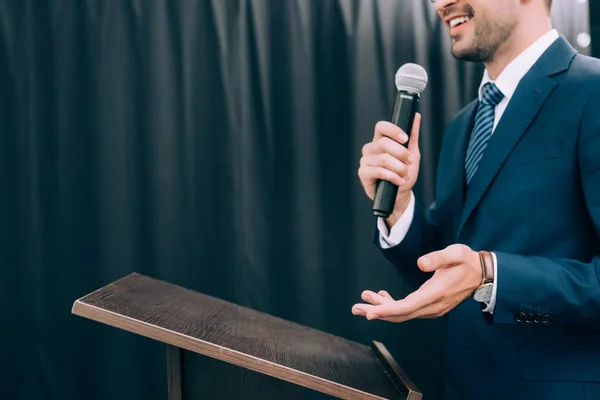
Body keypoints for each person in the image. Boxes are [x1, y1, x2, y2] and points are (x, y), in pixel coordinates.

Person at [351, 0, 600, 398]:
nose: (440, 2)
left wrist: (490, 272)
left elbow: (476, 270)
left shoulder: (595, 91)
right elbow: (443, 263)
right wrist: (399, 207)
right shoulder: (463, 125)